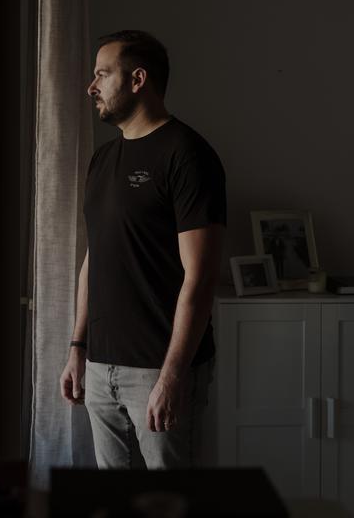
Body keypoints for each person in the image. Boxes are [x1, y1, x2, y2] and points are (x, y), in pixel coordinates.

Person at [59, 30, 226, 469]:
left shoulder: (187, 156)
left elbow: (201, 276)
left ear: (138, 79)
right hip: (100, 366)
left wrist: (173, 376)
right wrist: (78, 347)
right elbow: (93, 259)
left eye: (102, 74)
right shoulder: (102, 160)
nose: (91, 86)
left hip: (158, 369)